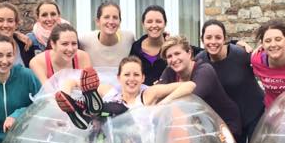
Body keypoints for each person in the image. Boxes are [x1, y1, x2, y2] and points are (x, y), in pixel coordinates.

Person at [54, 57, 196, 129]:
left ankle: (87, 112)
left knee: (118, 108)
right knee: (110, 105)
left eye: (136, 75)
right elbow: (71, 81)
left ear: (142, 78)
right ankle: (83, 110)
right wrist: (66, 95)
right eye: (127, 74)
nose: (132, 79)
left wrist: (163, 103)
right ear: (119, 78)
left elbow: (190, 85)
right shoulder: (110, 92)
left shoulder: (148, 95)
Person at [195, 20, 264, 143]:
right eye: (208, 37)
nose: (213, 41)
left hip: (254, 114)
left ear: (225, 39)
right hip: (230, 120)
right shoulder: (199, 61)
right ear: (202, 40)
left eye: (218, 37)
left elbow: (265, 59)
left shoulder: (241, 54)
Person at [159, 35, 242, 141]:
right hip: (201, 127)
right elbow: (157, 91)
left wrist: (165, 101)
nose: (174, 59)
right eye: (169, 56)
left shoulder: (205, 70)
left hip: (225, 126)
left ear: (189, 53)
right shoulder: (170, 71)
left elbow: (191, 98)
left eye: (177, 53)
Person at [80, 1, 134, 68]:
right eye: (106, 17)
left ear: (120, 22)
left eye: (115, 17)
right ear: (97, 21)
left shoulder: (129, 38)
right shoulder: (84, 40)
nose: (111, 22)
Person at [130, 5, 169, 84]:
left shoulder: (172, 48)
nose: (154, 25)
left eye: (158, 21)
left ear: (165, 23)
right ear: (143, 24)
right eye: (149, 22)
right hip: (141, 94)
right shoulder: (135, 48)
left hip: (168, 94)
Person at [0, 3, 35, 67]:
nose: (5, 25)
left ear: (16, 24)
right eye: (0, 20)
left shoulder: (26, 46)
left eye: (10, 21)